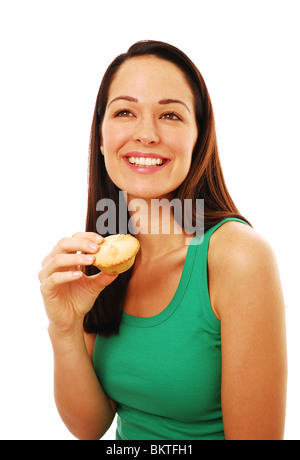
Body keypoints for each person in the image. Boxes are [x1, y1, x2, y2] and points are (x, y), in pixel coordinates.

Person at [38, 40, 287, 440]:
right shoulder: (103, 257)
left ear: (198, 137)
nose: (147, 134)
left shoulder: (238, 258)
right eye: (124, 112)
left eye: (170, 115)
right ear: (101, 138)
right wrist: (64, 327)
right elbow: (89, 427)